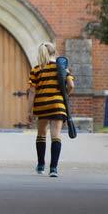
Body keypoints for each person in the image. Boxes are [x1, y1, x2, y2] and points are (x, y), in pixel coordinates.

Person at [27, 41, 74, 177]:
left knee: (41, 135)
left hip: (42, 106)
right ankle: (53, 169)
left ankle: (41, 165)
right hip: (57, 105)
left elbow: (32, 91)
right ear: (55, 52)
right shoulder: (62, 68)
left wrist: (29, 111)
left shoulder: (36, 69)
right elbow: (71, 85)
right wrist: (64, 94)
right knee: (56, 135)